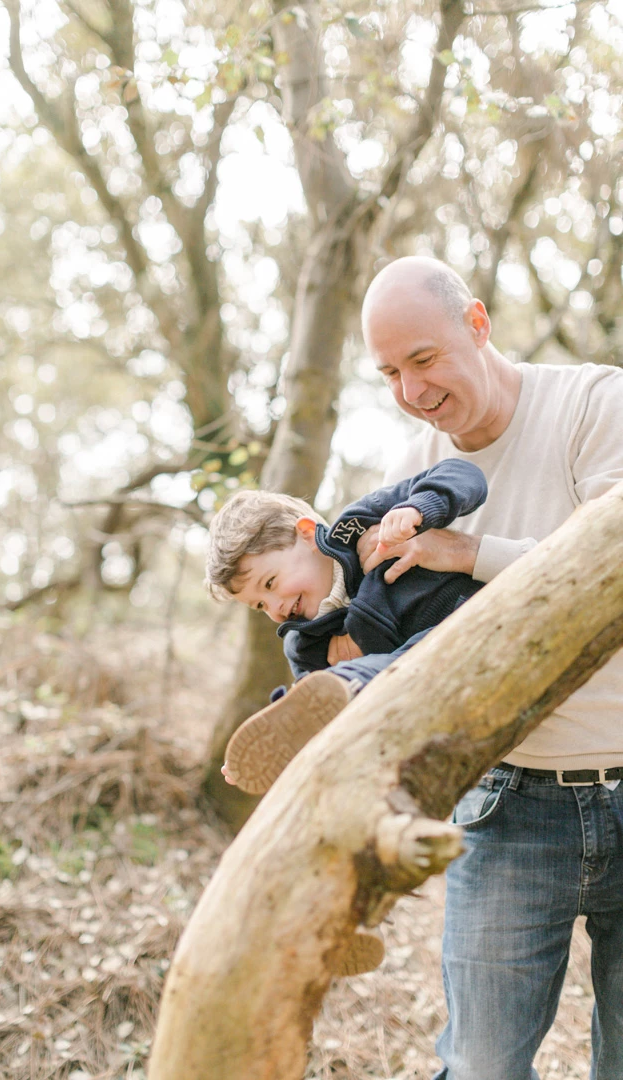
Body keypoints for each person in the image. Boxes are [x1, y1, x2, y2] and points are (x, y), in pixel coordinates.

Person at [356, 255, 623, 1080]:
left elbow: (610, 567)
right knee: (480, 1065)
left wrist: (467, 552)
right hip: (510, 802)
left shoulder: (594, 402)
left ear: (477, 324)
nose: (412, 391)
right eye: (390, 372)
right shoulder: (409, 479)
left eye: (424, 359)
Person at [205, 458, 487, 795]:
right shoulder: (304, 642)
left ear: (308, 535)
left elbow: (464, 474)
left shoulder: (362, 523)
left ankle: (352, 685)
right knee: (333, 689)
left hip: (475, 621)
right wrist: (284, 734)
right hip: (428, 699)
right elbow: (315, 701)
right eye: (260, 606)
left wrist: (418, 509)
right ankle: (312, 723)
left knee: (428, 648)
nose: (276, 608)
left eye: (270, 584)